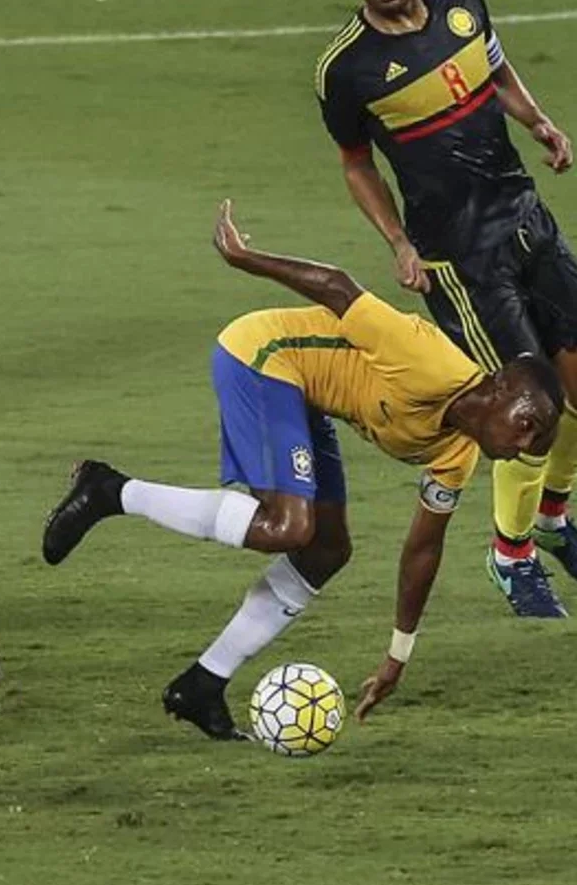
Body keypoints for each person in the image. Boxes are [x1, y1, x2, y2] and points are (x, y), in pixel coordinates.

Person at [43, 202, 563, 738]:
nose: (526, 442)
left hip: (306, 398)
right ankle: (109, 490)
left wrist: (396, 655)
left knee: (326, 551)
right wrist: (247, 258)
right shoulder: (430, 362)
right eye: (529, 423)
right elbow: (339, 287)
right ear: (499, 387)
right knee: (287, 526)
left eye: (539, 439)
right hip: (263, 354)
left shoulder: (459, 453)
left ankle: (202, 684)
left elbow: (422, 549)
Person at [316, 0, 577, 617]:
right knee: (531, 407)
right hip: (461, 261)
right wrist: (398, 241)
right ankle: (512, 555)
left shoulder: (464, 2)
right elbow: (356, 163)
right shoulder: (348, 71)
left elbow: (495, 72)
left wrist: (539, 121)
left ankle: (553, 520)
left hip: (527, 217)